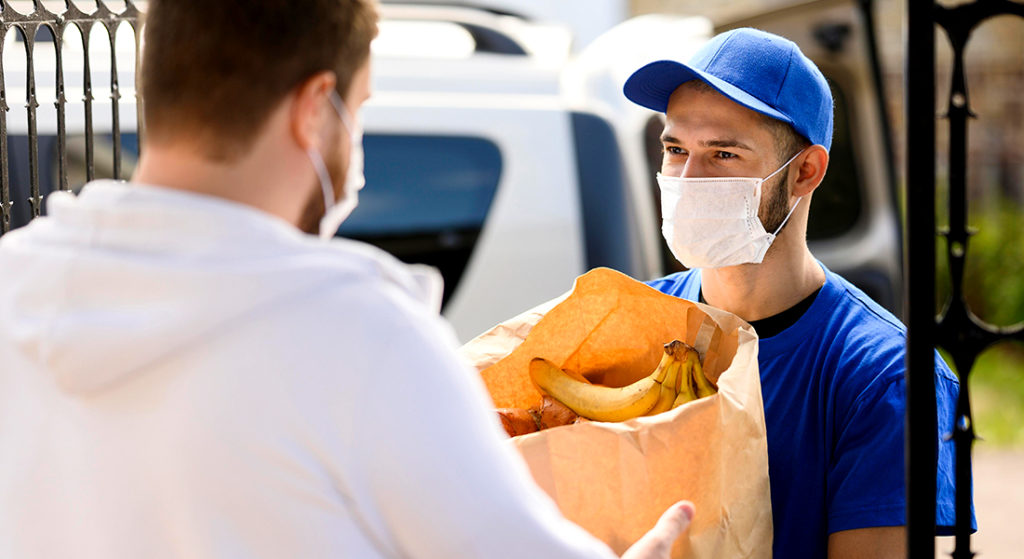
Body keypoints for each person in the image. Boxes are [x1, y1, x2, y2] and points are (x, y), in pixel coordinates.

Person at [0, 1, 695, 558]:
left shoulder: (14, 286)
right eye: (358, 111)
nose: (353, 146)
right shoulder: (359, 335)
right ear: (314, 108)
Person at [620, 27, 971, 558]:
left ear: (806, 171)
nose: (687, 178)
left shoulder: (888, 378)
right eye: (675, 148)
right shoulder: (627, 322)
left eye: (722, 154)